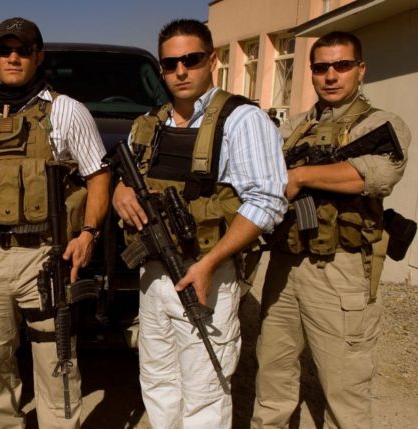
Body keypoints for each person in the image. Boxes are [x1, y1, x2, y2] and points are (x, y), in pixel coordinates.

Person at [111, 19, 287, 428]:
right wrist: (122, 190)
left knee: (204, 391)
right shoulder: (150, 125)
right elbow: (129, 175)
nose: (180, 71)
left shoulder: (242, 121)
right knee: (158, 380)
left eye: (190, 60)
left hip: (208, 274)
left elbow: (267, 203)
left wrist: (210, 263)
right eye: (170, 63)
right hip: (152, 276)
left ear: (212, 60)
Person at [0, 17, 111, 428]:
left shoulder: (66, 111)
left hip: (46, 254)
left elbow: (99, 175)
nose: (14, 57)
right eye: (5, 50)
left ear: (39, 56)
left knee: (57, 358)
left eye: (23, 49)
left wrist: (88, 233)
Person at [252, 31, 411, 429]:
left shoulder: (381, 125)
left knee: (345, 392)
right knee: (272, 378)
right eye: (321, 67)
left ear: (360, 70)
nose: (331, 76)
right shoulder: (295, 127)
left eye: (341, 66)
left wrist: (302, 175)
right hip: (286, 267)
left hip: (341, 272)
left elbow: (374, 175)